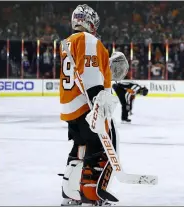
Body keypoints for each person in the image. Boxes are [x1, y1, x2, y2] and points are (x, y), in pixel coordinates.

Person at [59, 4, 121, 206]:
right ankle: (91, 194)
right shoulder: (89, 40)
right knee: (101, 146)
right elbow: (89, 74)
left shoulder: (68, 41)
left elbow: (82, 69)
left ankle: (71, 193)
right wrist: (98, 103)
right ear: (90, 21)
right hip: (87, 107)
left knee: (80, 148)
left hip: (71, 107)